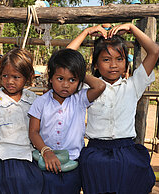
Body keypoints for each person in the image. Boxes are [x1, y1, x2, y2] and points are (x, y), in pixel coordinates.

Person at [67, 23, 159, 194]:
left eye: (119, 59)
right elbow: (65, 60)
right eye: (106, 59)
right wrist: (86, 32)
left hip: (127, 154)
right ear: (95, 64)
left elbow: (154, 51)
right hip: (96, 155)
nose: (113, 65)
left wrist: (132, 28)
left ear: (126, 63)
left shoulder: (133, 85)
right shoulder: (86, 89)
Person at [28, 48, 106, 194]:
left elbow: (100, 86)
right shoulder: (41, 102)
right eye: (60, 78)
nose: (65, 85)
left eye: (72, 80)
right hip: (44, 163)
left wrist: (80, 73)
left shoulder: (80, 99)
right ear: (50, 77)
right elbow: (33, 131)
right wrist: (46, 152)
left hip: (73, 165)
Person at [0, 48, 43, 194]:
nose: (9, 81)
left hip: (28, 158)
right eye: (5, 76)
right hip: (1, 160)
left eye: (16, 77)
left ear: (28, 77)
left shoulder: (34, 100)